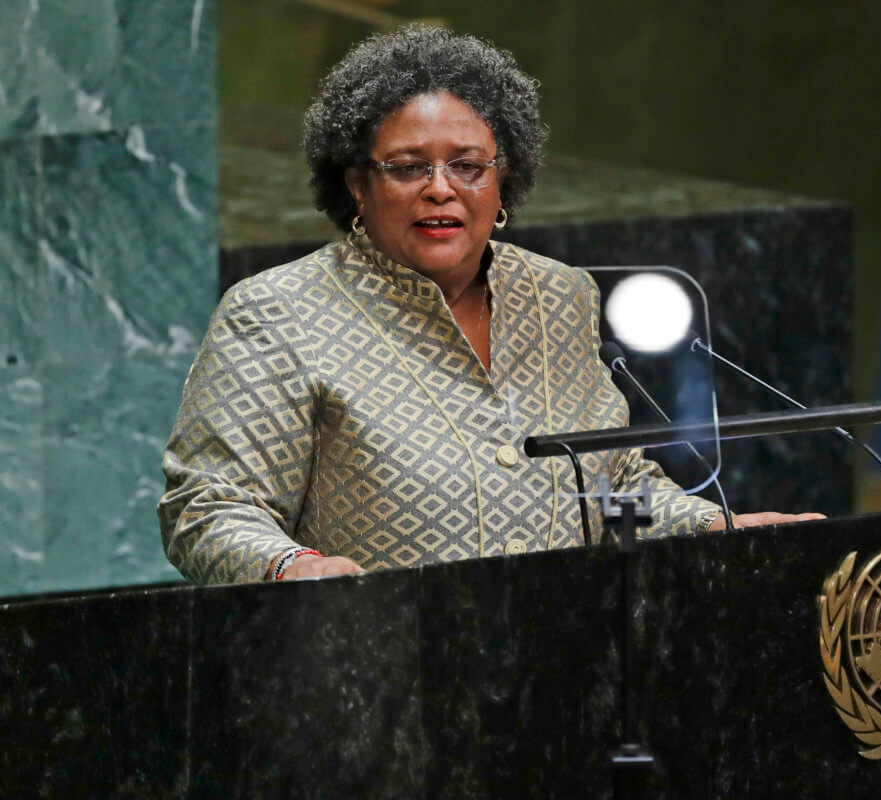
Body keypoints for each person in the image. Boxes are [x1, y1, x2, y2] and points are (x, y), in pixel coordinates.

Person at [158, 25, 820, 585]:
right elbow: (209, 507)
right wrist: (290, 566)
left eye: (468, 165)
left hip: (565, 670)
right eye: (409, 166)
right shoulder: (278, 313)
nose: (441, 189)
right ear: (358, 184)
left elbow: (612, 487)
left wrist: (711, 526)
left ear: (504, 180)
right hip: (376, 679)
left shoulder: (558, 294)